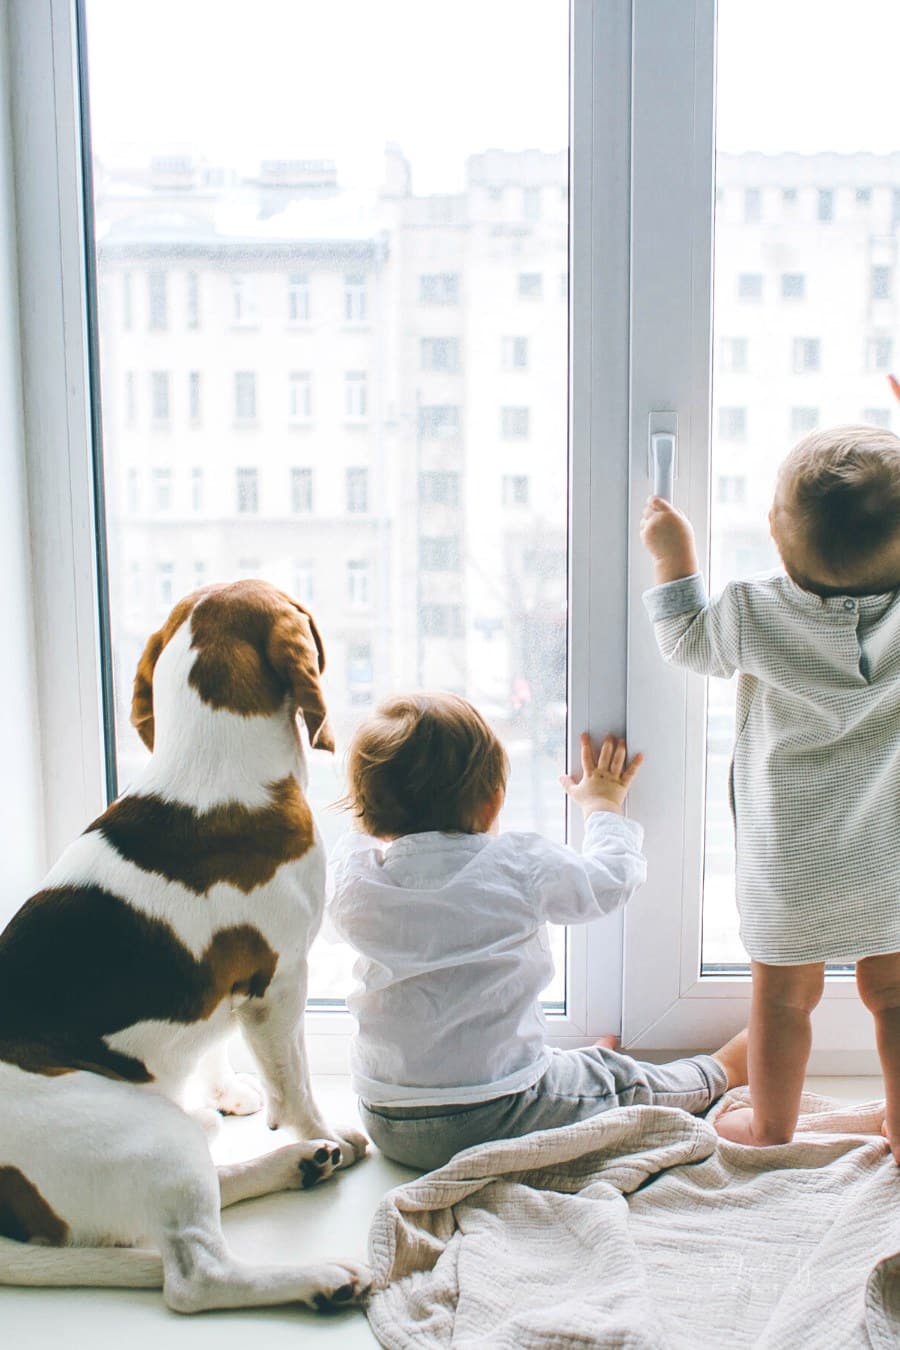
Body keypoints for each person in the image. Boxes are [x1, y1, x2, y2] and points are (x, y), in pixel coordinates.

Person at [327, 691, 748, 1170]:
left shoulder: (356, 880)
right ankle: (719, 1072)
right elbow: (609, 882)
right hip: (496, 1113)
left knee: (562, 1067)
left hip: (386, 1119)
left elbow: (355, 845)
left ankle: (562, 1071)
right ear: (493, 803)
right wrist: (604, 807)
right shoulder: (513, 864)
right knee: (619, 1082)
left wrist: (379, 804)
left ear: (368, 814)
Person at [640, 424, 900, 1157]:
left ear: (775, 535)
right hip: (891, 857)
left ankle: (772, 1127)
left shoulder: (756, 612)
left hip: (792, 861)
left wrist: (673, 555)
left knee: (785, 1001)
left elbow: (686, 639)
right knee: (897, 1001)